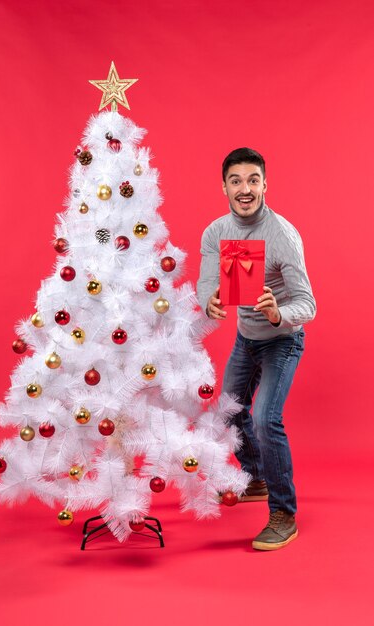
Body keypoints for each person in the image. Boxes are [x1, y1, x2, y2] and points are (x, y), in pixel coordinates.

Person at [197, 147, 316, 551]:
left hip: (282, 340)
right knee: (229, 409)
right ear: (224, 187)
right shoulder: (215, 233)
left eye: (252, 180)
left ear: (265, 184)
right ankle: (256, 477)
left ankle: (284, 513)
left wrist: (278, 310)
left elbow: (308, 304)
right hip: (246, 339)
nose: (244, 189)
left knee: (266, 417)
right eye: (236, 181)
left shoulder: (282, 234)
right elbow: (205, 283)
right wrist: (209, 302)